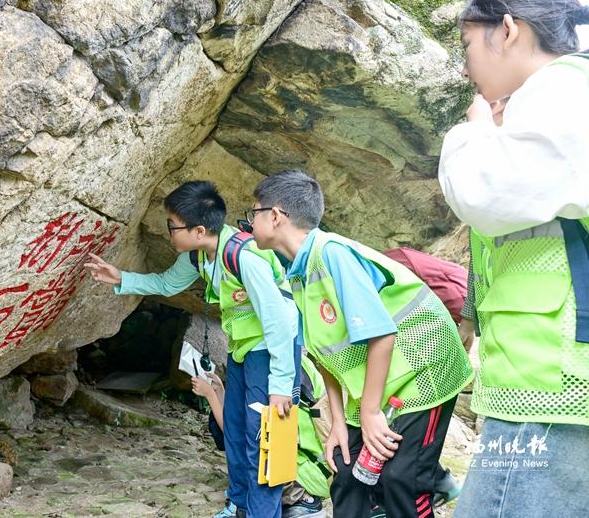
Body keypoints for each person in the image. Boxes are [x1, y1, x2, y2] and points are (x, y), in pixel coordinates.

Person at [438, 0, 589, 515]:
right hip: (555, 382)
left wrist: (474, 131)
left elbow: (485, 190)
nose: (465, 68)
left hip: (551, 382)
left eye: (467, 45)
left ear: (507, 29)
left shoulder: (563, 91)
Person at [248, 169, 474, 518]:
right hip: (377, 383)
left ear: (275, 216)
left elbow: (381, 335)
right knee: (345, 470)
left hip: (425, 371)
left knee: (403, 481)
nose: (249, 223)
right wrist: (338, 423)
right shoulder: (297, 272)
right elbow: (327, 359)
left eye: (254, 212)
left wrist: (369, 414)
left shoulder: (332, 253)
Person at [85, 181, 301, 518]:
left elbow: (279, 324)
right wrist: (121, 279)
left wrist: (281, 385)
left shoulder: (245, 257)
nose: (169, 233)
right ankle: (238, 504)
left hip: (272, 352)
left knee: (263, 441)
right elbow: (167, 284)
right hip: (243, 348)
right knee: (234, 426)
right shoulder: (198, 254)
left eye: (173, 226)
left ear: (199, 230)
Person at [191, 354, 330, 518]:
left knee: (254, 453)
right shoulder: (298, 363)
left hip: (306, 472)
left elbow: (241, 437)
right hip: (320, 468)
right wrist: (220, 392)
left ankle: (300, 499)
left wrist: (210, 396)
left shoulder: (277, 373)